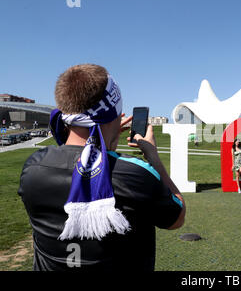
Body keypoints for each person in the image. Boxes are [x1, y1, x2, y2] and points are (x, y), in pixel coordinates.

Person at [18, 64, 185, 271]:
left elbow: (72, 159)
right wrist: (153, 157)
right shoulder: (135, 173)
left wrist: (108, 140)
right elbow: (177, 217)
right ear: (113, 114)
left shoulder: (34, 167)